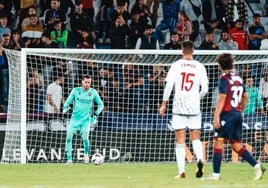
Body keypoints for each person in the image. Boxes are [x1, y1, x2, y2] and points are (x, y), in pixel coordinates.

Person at [202, 53, 266, 181]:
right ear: (232, 64)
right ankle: (257, 166)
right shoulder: (238, 78)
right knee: (235, 145)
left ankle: (215, 175)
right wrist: (241, 109)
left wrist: (216, 116)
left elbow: (222, 98)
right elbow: (246, 96)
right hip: (237, 114)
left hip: (227, 114)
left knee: (218, 142)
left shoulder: (224, 78)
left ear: (220, 65)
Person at [159, 40, 209, 178]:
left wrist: (164, 103)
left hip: (179, 106)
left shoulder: (176, 65)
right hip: (194, 107)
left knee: (180, 140)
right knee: (195, 138)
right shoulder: (200, 66)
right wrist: (196, 98)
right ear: (193, 51)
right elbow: (205, 89)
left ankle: (182, 172)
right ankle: (199, 159)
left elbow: (169, 85)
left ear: (182, 50)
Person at [63, 74, 104, 164]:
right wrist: (65, 107)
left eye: (89, 82)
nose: (87, 84)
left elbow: (101, 105)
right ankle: (69, 160)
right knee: (69, 137)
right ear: (82, 81)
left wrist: (96, 114)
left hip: (86, 120)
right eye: (85, 82)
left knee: (85, 138)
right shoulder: (75, 91)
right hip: (75, 119)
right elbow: (67, 101)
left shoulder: (93, 92)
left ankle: (86, 155)